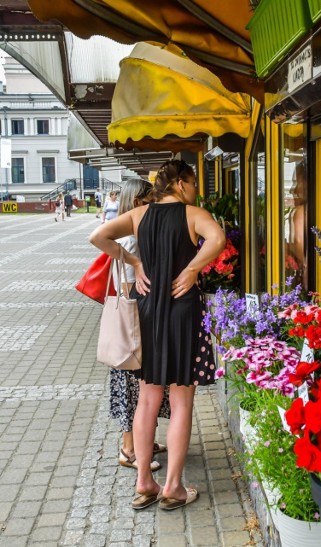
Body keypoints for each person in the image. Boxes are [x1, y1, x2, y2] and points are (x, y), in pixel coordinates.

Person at [89, 159, 225, 511]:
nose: (196, 190)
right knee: (181, 403)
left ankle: (144, 483)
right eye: (193, 183)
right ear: (180, 183)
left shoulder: (139, 215)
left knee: (147, 400)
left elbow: (98, 236)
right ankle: (173, 487)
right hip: (183, 313)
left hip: (147, 312)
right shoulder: (193, 213)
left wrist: (134, 263)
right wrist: (194, 268)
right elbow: (219, 239)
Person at [109, 178, 171, 474]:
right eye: (151, 200)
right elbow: (127, 290)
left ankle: (143, 443)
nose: (155, 205)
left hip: (137, 327)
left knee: (143, 392)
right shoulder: (130, 239)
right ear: (137, 203)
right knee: (134, 391)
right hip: (134, 329)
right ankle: (129, 450)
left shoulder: (130, 233)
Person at [284, 161, 306, 285]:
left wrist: (286, 247)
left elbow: (300, 247)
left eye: (297, 182)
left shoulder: (301, 212)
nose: (294, 189)